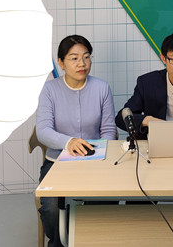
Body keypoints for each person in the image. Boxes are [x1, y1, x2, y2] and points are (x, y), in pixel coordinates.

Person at [36, 35, 117, 247]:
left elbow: (109, 130)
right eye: (74, 58)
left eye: (86, 57)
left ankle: (92, 240)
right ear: (61, 63)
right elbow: (43, 131)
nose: (82, 63)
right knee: (51, 207)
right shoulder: (49, 90)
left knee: (107, 200)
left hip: (96, 161)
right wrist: (69, 142)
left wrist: (100, 153)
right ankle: (58, 242)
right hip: (57, 162)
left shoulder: (101, 88)